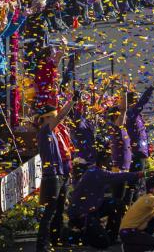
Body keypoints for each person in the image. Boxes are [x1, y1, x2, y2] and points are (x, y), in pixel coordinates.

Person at [67, 146, 140, 248]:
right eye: (109, 161)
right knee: (103, 243)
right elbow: (118, 177)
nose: (111, 164)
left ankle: (111, 236)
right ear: (103, 162)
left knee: (117, 204)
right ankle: (73, 234)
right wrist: (138, 174)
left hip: (93, 208)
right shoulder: (97, 173)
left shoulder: (95, 170)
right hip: (82, 214)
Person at [36, 97, 74, 252]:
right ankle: (41, 245)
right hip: (51, 177)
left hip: (59, 175)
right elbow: (61, 117)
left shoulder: (51, 133)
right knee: (49, 213)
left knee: (58, 210)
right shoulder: (44, 132)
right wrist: (71, 102)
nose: (56, 119)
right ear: (45, 119)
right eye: (53, 116)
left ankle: (56, 240)